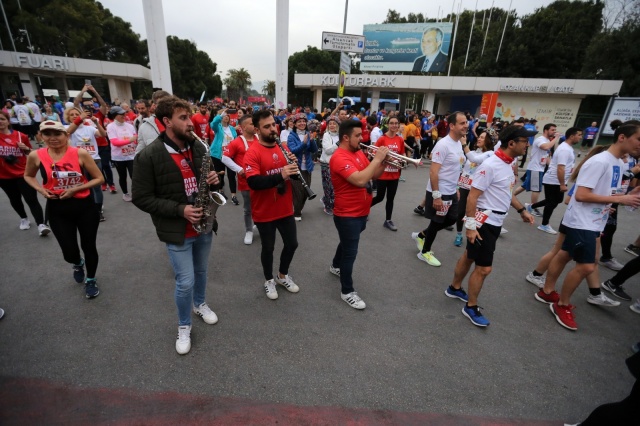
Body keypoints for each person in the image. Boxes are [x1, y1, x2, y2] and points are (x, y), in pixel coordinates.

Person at [132, 95, 221, 355]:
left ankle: (200, 304)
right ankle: (184, 325)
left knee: (202, 272)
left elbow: (210, 184)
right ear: (166, 122)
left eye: (190, 116)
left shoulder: (198, 148)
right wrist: (180, 210)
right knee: (185, 281)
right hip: (177, 229)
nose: (190, 122)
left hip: (203, 223)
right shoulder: (148, 156)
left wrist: (215, 181)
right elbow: (141, 197)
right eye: (183, 118)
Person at [536, 121, 640, 331]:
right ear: (622, 137)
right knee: (587, 266)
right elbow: (581, 194)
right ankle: (562, 304)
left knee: (564, 255)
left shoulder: (619, 163)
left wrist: (619, 199)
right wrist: (620, 200)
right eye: (638, 139)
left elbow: (603, 192)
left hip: (593, 219)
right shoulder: (600, 162)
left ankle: (546, 291)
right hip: (582, 221)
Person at [445, 125, 535, 326]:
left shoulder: (508, 164)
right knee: (484, 269)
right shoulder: (490, 165)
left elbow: (507, 192)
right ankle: (471, 306)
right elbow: (472, 197)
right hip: (485, 222)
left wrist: (521, 211)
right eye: (524, 141)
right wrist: (471, 226)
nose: (527, 145)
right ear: (511, 143)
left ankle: (454, 287)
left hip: (492, 221)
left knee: (469, 256)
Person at [23, 120, 104, 298]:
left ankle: (91, 279)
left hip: (84, 207)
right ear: (40, 136)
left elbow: (99, 179)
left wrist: (75, 189)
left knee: (89, 245)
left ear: (66, 135)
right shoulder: (36, 155)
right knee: (68, 250)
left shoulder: (80, 153)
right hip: (57, 208)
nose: (53, 138)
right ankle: (77, 262)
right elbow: (28, 176)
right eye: (47, 134)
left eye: (57, 134)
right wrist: (41, 190)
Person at [329, 120, 387, 309]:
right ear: (346, 137)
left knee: (347, 242)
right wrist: (377, 159)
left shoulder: (358, 152)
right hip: (348, 214)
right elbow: (361, 180)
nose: (362, 139)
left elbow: (373, 175)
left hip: (362, 212)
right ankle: (347, 291)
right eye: (358, 135)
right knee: (350, 252)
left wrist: (383, 162)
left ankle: (335, 266)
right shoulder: (339, 157)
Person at [244, 110, 301, 301]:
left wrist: (294, 170)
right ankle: (268, 279)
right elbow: (254, 182)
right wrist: (282, 174)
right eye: (266, 126)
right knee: (268, 248)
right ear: (257, 129)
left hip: (284, 207)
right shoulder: (252, 152)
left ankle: (282, 275)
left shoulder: (282, 147)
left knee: (292, 244)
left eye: (273, 124)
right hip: (264, 210)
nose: (272, 129)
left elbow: (290, 174)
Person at [411, 112, 467, 267]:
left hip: (451, 191)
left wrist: (456, 187)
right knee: (437, 222)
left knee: (452, 219)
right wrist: (436, 195)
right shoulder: (443, 145)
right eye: (462, 123)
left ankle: (421, 235)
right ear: (452, 125)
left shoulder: (458, 143)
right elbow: (433, 172)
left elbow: (456, 168)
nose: (466, 125)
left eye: (466, 122)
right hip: (440, 192)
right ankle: (424, 252)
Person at [0, 111, 50, 235]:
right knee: (14, 199)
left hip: (23, 173)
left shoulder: (20, 135)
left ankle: (41, 224)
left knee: (31, 199)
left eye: (2, 119)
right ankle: (24, 218)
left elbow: (31, 153)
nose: (0, 122)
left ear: (8, 121)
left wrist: (26, 148)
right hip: (4, 175)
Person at [528, 127, 582, 234]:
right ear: (571, 136)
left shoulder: (568, 148)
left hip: (557, 180)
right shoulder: (564, 149)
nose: (581, 137)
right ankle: (544, 224)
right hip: (554, 180)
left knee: (554, 200)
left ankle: (531, 206)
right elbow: (560, 167)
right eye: (579, 135)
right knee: (552, 202)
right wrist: (562, 184)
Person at [453, 130, 496, 246]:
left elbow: (474, 159)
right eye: (479, 137)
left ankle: (474, 235)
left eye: (482, 137)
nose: (479, 139)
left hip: (477, 188)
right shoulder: (472, 152)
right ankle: (458, 234)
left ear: (488, 140)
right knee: (460, 212)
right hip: (464, 186)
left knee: (473, 213)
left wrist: (464, 144)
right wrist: (457, 185)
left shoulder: (490, 154)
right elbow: (464, 169)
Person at [66, 107, 108, 221]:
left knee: (96, 187)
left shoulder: (89, 128)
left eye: (77, 114)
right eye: (72, 115)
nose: (74, 116)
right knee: (81, 187)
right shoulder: (67, 128)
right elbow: (68, 132)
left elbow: (103, 134)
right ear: (68, 117)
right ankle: (86, 209)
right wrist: (79, 119)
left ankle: (98, 211)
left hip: (94, 160)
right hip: (78, 162)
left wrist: (96, 123)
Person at [222, 115, 258, 244]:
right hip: (246, 181)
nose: (255, 125)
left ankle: (260, 224)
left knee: (261, 205)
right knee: (248, 208)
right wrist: (238, 169)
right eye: (252, 123)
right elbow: (225, 157)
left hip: (261, 179)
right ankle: (249, 230)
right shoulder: (236, 142)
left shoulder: (259, 139)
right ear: (243, 127)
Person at [513, 123, 560, 215]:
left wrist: (553, 166)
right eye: (552, 130)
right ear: (546, 130)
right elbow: (546, 147)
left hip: (540, 167)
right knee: (537, 189)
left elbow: (546, 156)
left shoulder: (548, 140)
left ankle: (510, 197)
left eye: (555, 130)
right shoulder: (540, 140)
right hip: (535, 168)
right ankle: (533, 207)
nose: (554, 132)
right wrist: (556, 138)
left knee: (525, 186)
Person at [370, 115, 404, 231]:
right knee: (379, 197)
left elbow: (402, 154)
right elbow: (373, 153)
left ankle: (388, 220)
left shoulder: (400, 139)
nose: (394, 125)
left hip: (395, 174)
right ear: (388, 125)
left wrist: (403, 160)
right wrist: (385, 158)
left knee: (390, 198)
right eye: (392, 123)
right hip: (383, 174)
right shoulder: (382, 139)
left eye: (396, 123)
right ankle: (363, 209)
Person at [287, 113, 318, 221]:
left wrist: (312, 141)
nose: (302, 123)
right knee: (298, 191)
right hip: (296, 167)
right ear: (295, 124)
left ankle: (298, 208)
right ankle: (296, 212)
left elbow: (314, 150)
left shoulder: (308, 134)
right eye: (299, 121)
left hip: (307, 167)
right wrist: (304, 143)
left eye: (304, 121)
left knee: (306, 191)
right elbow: (292, 150)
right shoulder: (291, 136)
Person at [106, 106, 137, 202]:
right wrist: (130, 140)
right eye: (121, 114)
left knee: (134, 175)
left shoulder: (130, 126)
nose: (124, 115)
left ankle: (136, 193)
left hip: (131, 155)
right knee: (122, 176)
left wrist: (134, 140)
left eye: (124, 113)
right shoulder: (110, 126)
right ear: (115, 116)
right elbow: (115, 142)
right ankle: (125, 193)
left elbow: (135, 137)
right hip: (119, 157)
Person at [210, 108, 238, 203]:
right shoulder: (217, 127)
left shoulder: (232, 129)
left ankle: (233, 195)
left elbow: (236, 140)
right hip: (218, 154)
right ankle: (221, 190)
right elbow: (212, 124)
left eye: (227, 116)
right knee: (220, 174)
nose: (226, 117)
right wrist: (220, 115)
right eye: (224, 115)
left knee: (231, 175)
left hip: (230, 155)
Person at [136, 90, 171, 154]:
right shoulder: (144, 127)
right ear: (154, 106)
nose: (165, 107)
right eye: (161, 104)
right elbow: (140, 151)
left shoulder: (180, 123)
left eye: (167, 104)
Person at [319, 115, 340, 216]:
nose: (332, 125)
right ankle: (328, 206)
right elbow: (327, 150)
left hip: (338, 164)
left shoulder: (341, 135)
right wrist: (338, 144)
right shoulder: (326, 135)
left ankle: (325, 199)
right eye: (330, 124)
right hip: (326, 164)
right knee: (328, 186)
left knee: (336, 186)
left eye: (334, 124)